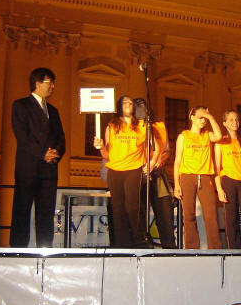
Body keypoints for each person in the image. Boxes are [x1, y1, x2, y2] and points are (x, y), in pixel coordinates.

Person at [10, 67, 65, 248]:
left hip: (49, 169)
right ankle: (18, 249)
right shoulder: (21, 105)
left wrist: (55, 153)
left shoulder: (53, 111)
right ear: (38, 83)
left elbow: (61, 138)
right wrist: (43, 153)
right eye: (50, 83)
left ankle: (45, 249)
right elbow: (22, 135)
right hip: (28, 167)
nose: (53, 87)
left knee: (46, 212)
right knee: (22, 209)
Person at [94, 96, 146, 248]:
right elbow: (107, 155)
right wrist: (101, 147)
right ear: (119, 106)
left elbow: (150, 147)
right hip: (115, 170)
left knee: (132, 207)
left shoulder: (142, 126)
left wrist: (150, 163)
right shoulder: (112, 126)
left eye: (130, 103)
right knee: (117, 209)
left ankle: (138, 240)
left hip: (133, 169)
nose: (128, 104)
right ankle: (121, 244)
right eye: (125, 102)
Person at [173, 106, 223, 249]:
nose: (203, 120)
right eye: (201, 117)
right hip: (187, 177)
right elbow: (177, 161)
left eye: (205, 118)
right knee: (188, 215)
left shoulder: (207, 135)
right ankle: (191, 247)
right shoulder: (183, 136)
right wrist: (176, 184)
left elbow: (219, 136)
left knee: (211, 215)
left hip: (206, 177)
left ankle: (215, 248)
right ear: (192, 117)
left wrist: (210, 116)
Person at [214, 110, 241, 249]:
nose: (235, 122)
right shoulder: (220, 142)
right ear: (224, 123)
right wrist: (219, 189)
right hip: (228, 181)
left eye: (237, 119)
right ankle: (234, 250)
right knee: (231, 217)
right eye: (231, 119)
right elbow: (216, 168)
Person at [147, 118, 176, 249]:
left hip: (158, 174)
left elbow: (167, 151)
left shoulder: (160, 127)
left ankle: (169, 246)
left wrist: (161, 159)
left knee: (165, 211)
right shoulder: (132, 128)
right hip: (140, 174)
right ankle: (142, 246)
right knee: (140, 214)